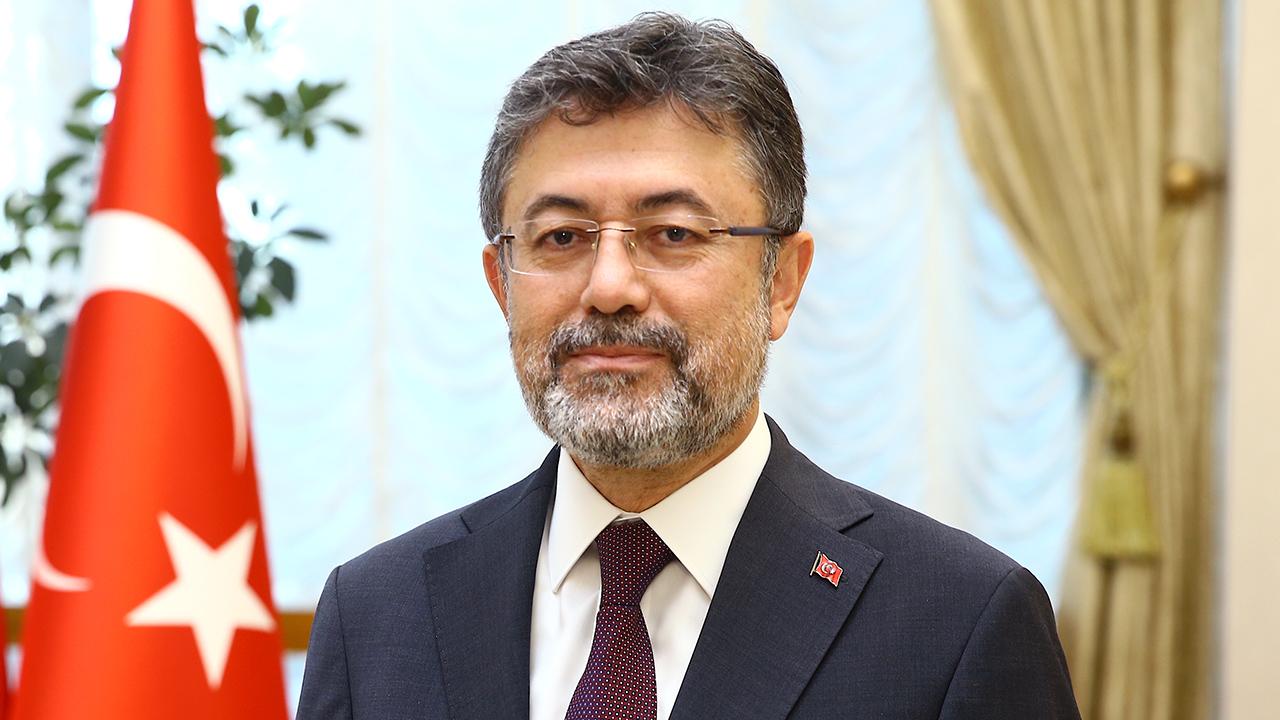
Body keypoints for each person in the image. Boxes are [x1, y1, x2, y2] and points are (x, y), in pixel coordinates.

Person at [297, 12, 1080, 720]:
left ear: (782, 282)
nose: (609, 288)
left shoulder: (957, 625)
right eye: (562, 238)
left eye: (672, 233)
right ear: (501, 285)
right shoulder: (376, 618)